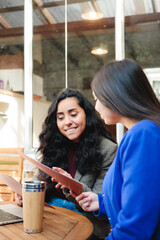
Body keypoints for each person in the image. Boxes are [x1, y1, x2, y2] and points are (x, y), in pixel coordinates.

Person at [73, 59, 160, 240]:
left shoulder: (143, 134)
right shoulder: (141, 133)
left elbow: (136, 226)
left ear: (116, 95)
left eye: (97, 99)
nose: (96, 107)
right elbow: (142, 201)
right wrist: (101, 202)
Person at [35, 88, 117, 239]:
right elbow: (38, 180)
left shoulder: (107, 149)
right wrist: (27, 191)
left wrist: (71, 184)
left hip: (88, 226)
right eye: (60, 117)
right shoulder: (53, 146)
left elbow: (100, 203)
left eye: (73, 115)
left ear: (86, 115)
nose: (67, 122)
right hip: (51, 220)